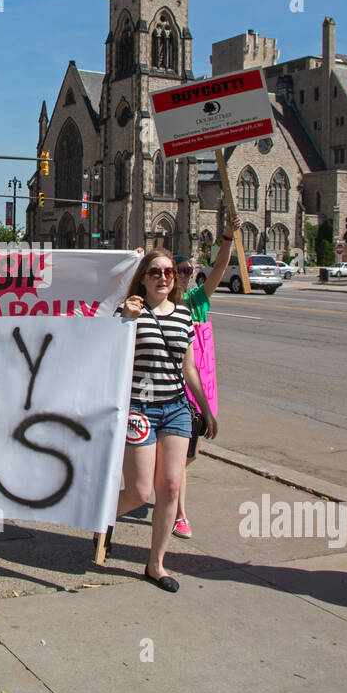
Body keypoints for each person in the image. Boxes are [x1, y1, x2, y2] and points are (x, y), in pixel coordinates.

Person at [110, 249, 217, 593]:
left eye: (169, 271)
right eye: (155, 271)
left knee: (170, 487)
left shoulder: (184, 315)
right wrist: (124, 320)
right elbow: (108, 353)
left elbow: (189, 368)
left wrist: (205, 408)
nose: (163, 277)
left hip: (175, 409)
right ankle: (103, 515)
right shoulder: (129, 312)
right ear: (142, 277)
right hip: (140, 409)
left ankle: (155, 564)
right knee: (140, 492)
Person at [169, 213, 241, 538]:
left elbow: (221, 268)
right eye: (181, 271)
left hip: (196, 391)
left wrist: (227, 236)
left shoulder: (197, 301)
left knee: (191, 454)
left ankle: (168, 484)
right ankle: (179, 514)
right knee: (182, 452)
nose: (188, 275)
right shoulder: (165, 305)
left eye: (190, 271)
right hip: (172, 393)